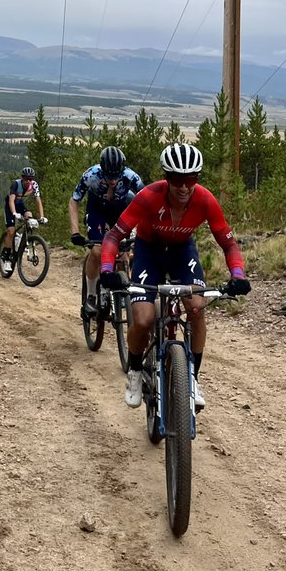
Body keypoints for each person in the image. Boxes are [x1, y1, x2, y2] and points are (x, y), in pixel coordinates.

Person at [100, 143, 250, 412]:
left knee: (196, 307)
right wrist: (107, 271)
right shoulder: (148, 196)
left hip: (182, 251)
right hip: (149, 251)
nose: (183, 187)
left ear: (197, 178)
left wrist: (237, 275)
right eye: (176, 179)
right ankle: (135, 370)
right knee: (143, 319)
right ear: (166, 178)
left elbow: (229, 244)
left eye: (190, 179)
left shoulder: (205, 200)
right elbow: (114, 236)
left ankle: (192, 378)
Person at [69, 146, 143, 317]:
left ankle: (121, 292)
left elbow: (148, 201)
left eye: (116, 175)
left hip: (120, 210)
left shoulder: (131, 176)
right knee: (97, 251)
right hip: (97, 210)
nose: (113, 180)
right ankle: (91, 296)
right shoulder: (91, 175)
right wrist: (75, 232)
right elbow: (74, 201)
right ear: (102, 169)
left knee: (123, 252)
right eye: (109, 176)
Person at [2, 166, 46, 261]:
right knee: (11, 231)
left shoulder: (34, 185)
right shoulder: (16, 184)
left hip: (20, 204)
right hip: (10, 206)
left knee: (29, 216)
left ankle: (23, 239)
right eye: (26, 179)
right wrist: (14, 213)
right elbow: (11, 200)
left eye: (30, 179)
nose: (28, 181)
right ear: (22, 178)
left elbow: (38, 200)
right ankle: (6, 256)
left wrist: (42, 216)